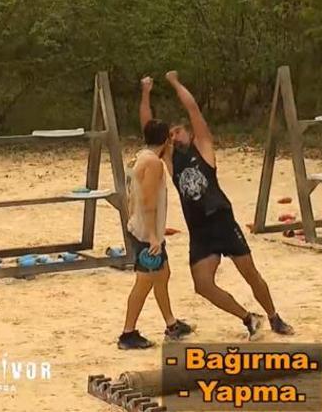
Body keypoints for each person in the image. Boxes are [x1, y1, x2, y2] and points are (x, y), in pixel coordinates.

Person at [139, 73, 294, 340]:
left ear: (189, 132)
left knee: (250, 273)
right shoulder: (171, 160)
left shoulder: (203, 148)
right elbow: (148, 130)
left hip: (221, 220)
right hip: (200, 230)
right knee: (202, 285)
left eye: (178, 131)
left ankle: (274, 316)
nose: (174, 136)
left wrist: (175, 83)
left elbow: (193, 110)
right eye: (170, 134)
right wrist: (146, 93)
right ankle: (249, 319)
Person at [118, 116, 193, 349]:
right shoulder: (153, 163)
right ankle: (127, 333)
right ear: (166, 140)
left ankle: (171, 324)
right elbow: (149, 202)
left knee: (163, 274)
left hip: (140, 226)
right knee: (144, 282)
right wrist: (152, 237)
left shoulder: (139, 157)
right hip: (146, 232)